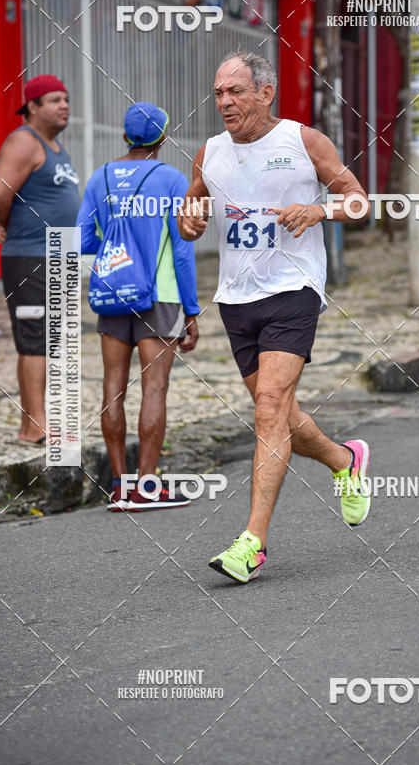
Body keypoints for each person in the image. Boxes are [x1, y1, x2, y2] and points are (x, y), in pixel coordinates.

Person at [178, 51, 371, 583]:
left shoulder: (304, 142)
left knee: (268, 406)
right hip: (236, 298)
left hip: (293, 289)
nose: (224, 102)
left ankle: (252, 544)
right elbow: (192, 207)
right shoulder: (210, 152)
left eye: (235, 91)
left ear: (266, 93)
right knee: (280, 416)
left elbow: (359, 201)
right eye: (219, 93)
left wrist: (320, 209)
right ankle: (344, 461)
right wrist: (189, 222)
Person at [77, 102, 200, 512]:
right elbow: (181, 251)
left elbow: (82, 240)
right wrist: (192, 310)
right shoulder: (172, 179)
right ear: (162, 138)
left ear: (125, 137)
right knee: (154, 387)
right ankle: (147, 486)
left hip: (112, 293)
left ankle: (119, 486)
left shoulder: (100, 178)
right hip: (160, 296)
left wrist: (117, 241)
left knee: (112, 386)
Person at [0, 74, 80, 445]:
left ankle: (41, 418)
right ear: (32, 107)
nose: (64, 105)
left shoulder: (55, 146)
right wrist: (8, 224)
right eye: (55, 100)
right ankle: (32, 427)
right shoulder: (24, 142)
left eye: (66, 99)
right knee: (35, 340)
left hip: (55, 256)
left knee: (51, 340)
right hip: (31, 258)